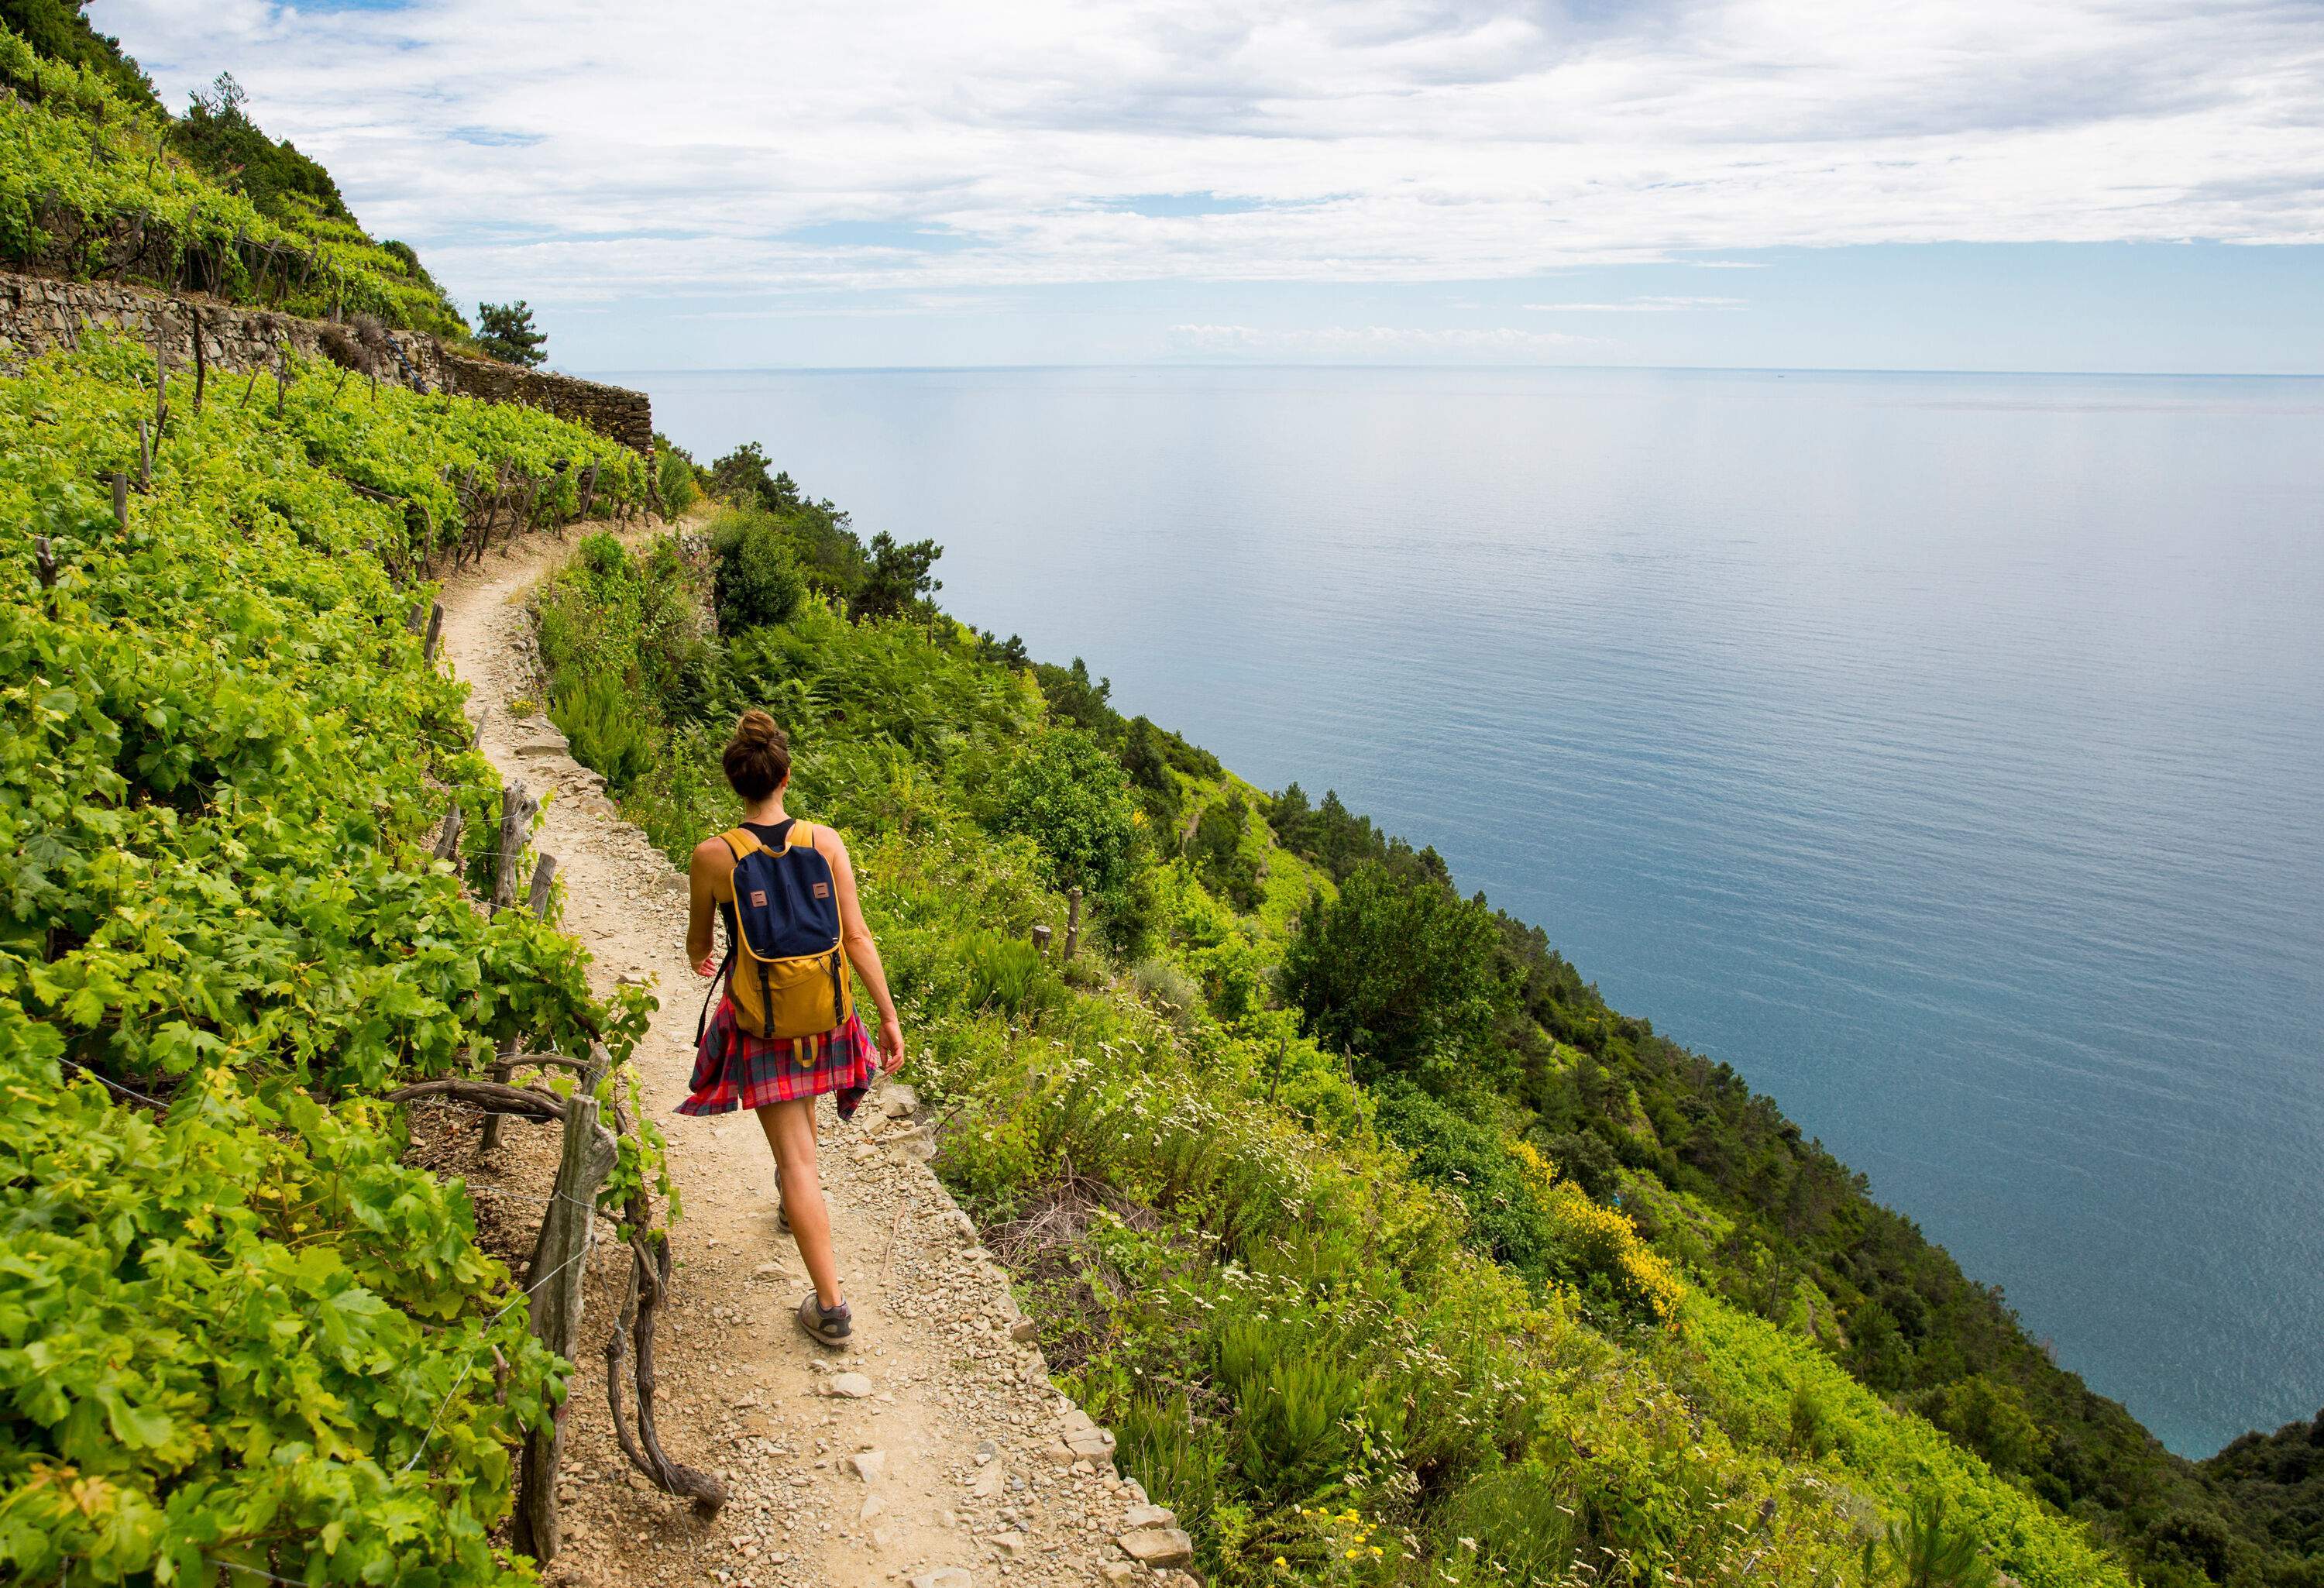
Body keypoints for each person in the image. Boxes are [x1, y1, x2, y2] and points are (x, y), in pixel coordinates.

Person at [679, 709, 905, 1348]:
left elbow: (699, 945)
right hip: (828, 1017)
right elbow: (856, 937)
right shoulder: (825, 842)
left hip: (762, 1025)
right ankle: (791, 1201)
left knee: (797, 1160)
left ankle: (830, 1307)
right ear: (786, 775)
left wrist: (703, 954)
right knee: (801, 1148)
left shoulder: (712, 857)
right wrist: (886, 1016)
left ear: (737, 784)